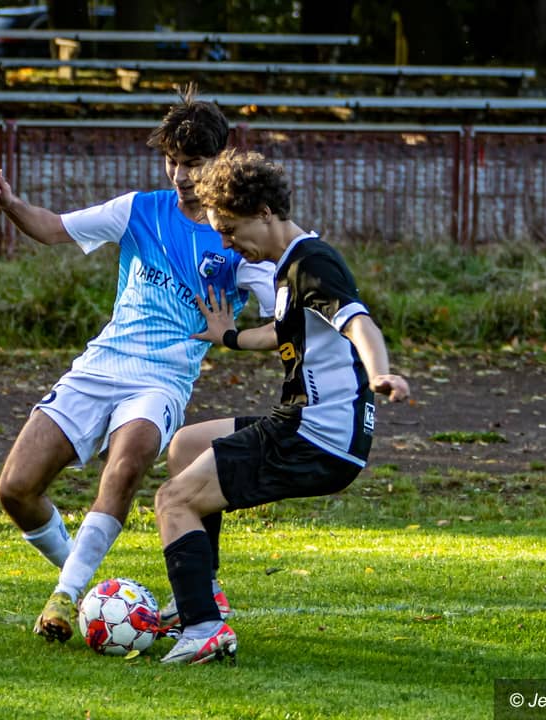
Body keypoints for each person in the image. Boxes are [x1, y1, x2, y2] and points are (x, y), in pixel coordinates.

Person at [0, 86, 277, 643]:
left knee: (126, 464)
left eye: (194, 163)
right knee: (15, 489)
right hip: (101, 365)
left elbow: (287, 315)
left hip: (161, 382)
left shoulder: (236, 239)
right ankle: (92, 586)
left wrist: (233, 336)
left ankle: (65, 596)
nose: (181, 175)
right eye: (173, 161)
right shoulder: (140, 210)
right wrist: (11, 204)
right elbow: (53, 228)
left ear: (220, 161)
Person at [153, 148, 410, 665]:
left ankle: (203, 627)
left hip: (315, 436)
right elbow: (284, 331)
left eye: (230, 230)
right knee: (186, 445)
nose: (226, 243)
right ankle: (204, 594)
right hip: (308, 425)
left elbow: (359, 322)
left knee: (173, 500)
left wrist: (380, 371)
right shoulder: (289, 265)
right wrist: (229, 336)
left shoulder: (312, 263)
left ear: (264, 212)